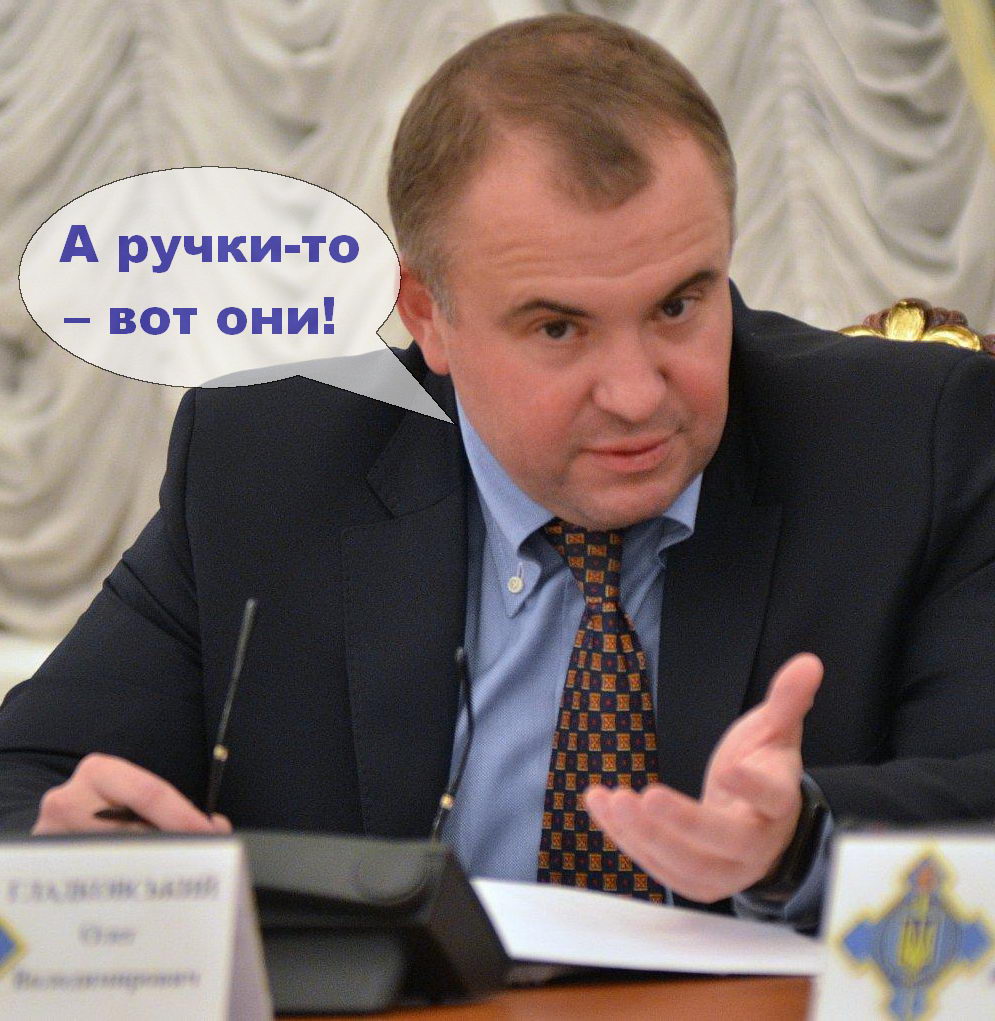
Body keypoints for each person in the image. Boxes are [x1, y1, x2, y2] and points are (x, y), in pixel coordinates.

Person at [2, 14, 995, 929]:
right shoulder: (268, 462)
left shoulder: (905, 445)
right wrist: (75, 849)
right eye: (558, 328)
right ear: (426, 315)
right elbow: (24, 780)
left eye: (677, 306)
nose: (636, 393)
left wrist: (800, 838)